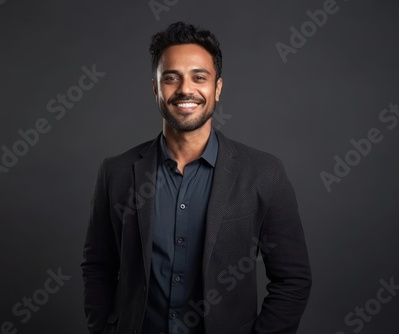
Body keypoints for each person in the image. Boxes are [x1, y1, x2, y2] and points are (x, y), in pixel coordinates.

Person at [81, 21, 312, 334]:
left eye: (199, 77)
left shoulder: (264, 173)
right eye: (171, 78)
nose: (185, 90)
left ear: (217, 88)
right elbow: (98, 267)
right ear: (155, 88)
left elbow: (292, 280)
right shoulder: (116, 173)